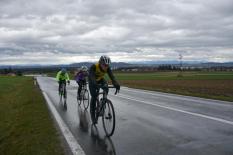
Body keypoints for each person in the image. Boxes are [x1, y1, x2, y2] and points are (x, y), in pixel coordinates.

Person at [88, 55, 120, 124]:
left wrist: (116, 84)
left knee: (106, 88)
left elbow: (112, 77)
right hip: (92, 81)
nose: (106, 66)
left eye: (107, 65)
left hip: (100, 79)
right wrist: (95, 85)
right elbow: (91, 77)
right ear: (100, 63)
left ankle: (103, 101)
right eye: (104, 65)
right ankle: (93, 115)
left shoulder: (107, 68)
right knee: (94, 96)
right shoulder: (94, 67)